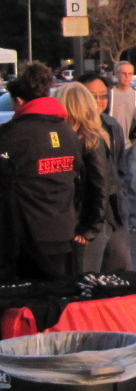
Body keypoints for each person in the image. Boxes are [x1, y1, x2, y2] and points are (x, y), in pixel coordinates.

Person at [0, 62, 84, 280]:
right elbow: (79, 178)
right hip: (63, 231)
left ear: (19, 101)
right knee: (56, 301)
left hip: (25, 237)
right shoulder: (68, 132)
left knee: (27, 304)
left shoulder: (12, 135)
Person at [54, 82, 116, 276]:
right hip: (77, 221)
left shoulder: (91, 140)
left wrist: (90, 229)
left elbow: (101, 187)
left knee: (83, 280)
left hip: (89, 224)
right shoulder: (74, 138)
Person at [80, 75, 133, 272]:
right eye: (92, 96)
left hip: (114, 207)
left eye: (103, 96)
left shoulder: (112, 125)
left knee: (119, 266)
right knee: (87, 271)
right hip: (88, 210)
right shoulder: (73, 128)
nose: (99, 102)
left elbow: (119, 168)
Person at [108, 61, 136, 230]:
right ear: (116, 74)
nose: (127, 77)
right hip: (111, 144)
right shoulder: (109, 94)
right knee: (112, 182)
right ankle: (113, 218)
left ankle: (133, 220)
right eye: (124, 73)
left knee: (132, 182)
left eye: (130, 74)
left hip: (131, 144)